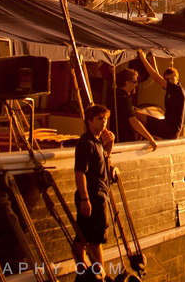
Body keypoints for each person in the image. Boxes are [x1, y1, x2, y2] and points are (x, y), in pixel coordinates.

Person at [72, 104, 114, 280]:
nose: (103, 123)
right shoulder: (86, 143)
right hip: (93, 197)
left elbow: (103, 165)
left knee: (81, 237)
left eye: (105, 119)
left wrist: (109, 146)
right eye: (99, 119)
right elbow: (79, 171)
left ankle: (85, 273)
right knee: (95, 239)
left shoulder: (99, 142)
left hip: (99, 195)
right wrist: (84, 199)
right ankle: (98, 276)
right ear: (89, 121)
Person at [137, 50, 185, 139]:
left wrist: (143, 59)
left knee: (136, 115)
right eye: (167, 80)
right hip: (166, 126)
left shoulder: (177, 89)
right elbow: (157, 76)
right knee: (138, 113)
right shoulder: (170, 89)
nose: (170, 81)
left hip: (170, 129)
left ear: (177, 79)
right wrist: (153, 59)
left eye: (172, 79)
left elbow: (156, 78)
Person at [114, 67, 158, 150]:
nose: (136, 85)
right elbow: (132, 120)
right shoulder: (124, 99)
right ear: (127, 83)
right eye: (134, 82)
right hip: (124, 139)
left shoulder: (114, 95)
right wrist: (150, 138)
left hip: (116, 138)